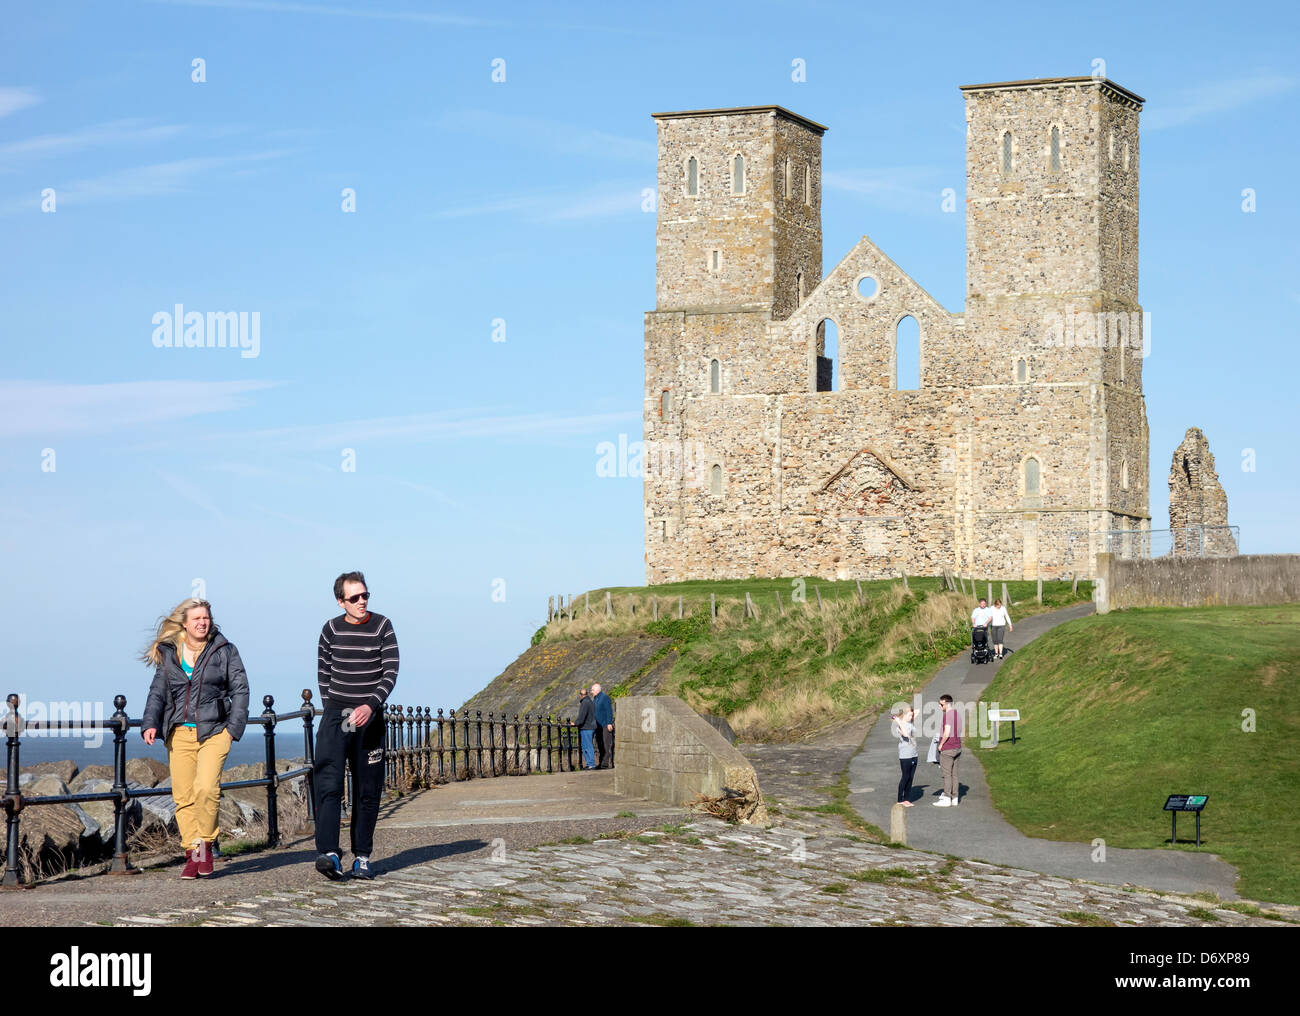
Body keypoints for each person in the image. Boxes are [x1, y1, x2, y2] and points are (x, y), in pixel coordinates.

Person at [141, 598, 250, 879]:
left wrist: (232, 730)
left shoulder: (224, 650)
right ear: (184, 623)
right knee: (184, 796)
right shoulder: (170, 652)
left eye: (206, 618)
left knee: (206, 788)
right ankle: (192, 853)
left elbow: (240, 690)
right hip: (179, 732)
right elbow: (158, 691)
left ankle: (205, 844)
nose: (203, 622)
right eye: (197, 618)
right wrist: (150, 723)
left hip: (215, 730)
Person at [314, 571, 399, 881]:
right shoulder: (330, 630)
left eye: (365, 595)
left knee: (367, 790)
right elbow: (323, 671)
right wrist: (333, 707)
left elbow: (390, 672)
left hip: (370, 718)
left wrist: (369, 705)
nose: (362, 601)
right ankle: (329, 854)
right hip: (337, 718)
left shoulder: (382, 626)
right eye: (354, 598)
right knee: (329, 785)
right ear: (341, 602)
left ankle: (362, 857)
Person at [933, 693, 962, 807]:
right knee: (954, 774)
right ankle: (955, 797)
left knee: (947, 775)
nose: (940, 707)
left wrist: (941, 744)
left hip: (948, 748)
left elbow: (947, 731)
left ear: (945, 703)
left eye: (940, 704)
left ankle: (946, 798)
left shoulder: (948, 715)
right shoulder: (957, 714)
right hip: (957, 747)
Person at [891, 705, 918, 807]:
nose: (912, 717)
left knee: (911, 778)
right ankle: (900, 800)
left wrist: (909, 712)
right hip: (905, 755)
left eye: (912, 715)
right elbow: (906, 735)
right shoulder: (900, 726)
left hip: (914, 754)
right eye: (910, 715)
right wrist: (898, 721)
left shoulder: (910, 723)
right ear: (905, 715)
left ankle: (906, 799)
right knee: (905, 777)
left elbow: (917, 711)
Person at [591, 683, 615, 769]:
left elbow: (609, 710)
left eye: (593, 690)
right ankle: (601, 762)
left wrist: (609, 722)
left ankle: (605, 763)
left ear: (597, 690)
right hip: (598, 726)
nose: (591, 692)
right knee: (599, 744)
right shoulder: (595, 699)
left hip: (604, 725)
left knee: (605, 744)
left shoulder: (604, 697)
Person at [575, 688, 597, 770]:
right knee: (586, 746)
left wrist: (576, 723)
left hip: (587, 727)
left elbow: (582, 716)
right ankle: (589, 763)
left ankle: (591, 764)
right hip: (590, 726)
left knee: (587, 746)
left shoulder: (585, 703)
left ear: (580, 695)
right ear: (587, 694)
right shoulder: (590, 701)